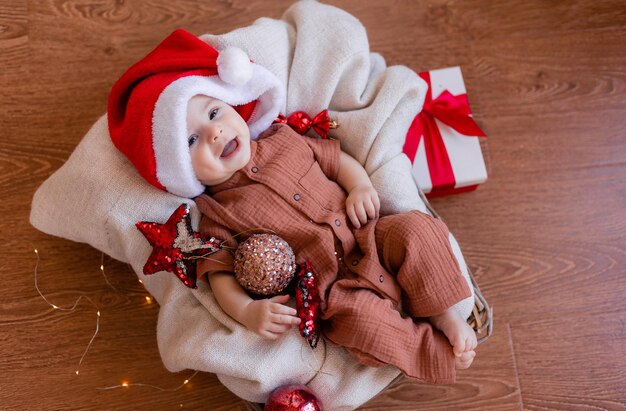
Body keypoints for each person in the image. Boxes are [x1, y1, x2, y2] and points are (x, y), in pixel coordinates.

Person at [108, 29, 476, 384]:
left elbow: (335, 161)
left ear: (234, 104)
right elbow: (219, 276)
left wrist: (359, 185)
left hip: (370, 234)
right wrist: (248, 311)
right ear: (179, 166)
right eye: (191, 139)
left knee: (418, 230)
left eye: (214, 113)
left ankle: (443, 313)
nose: (214, 132)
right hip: (334, 290)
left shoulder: (284, 139)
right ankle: (431, 351)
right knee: (364, 326)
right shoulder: (216, 215)